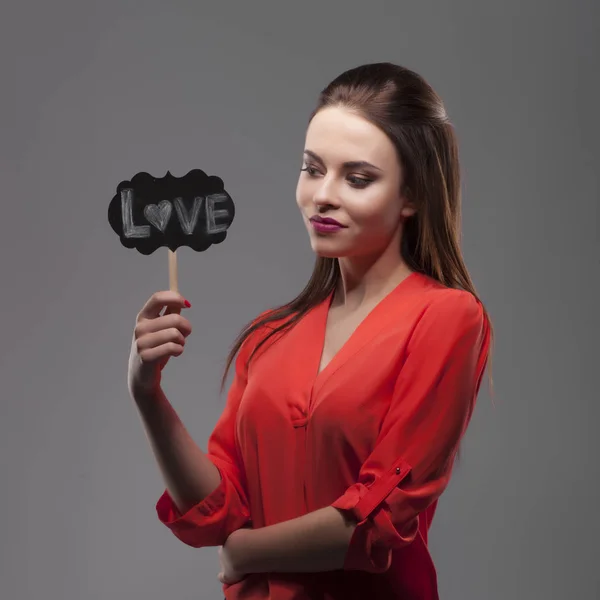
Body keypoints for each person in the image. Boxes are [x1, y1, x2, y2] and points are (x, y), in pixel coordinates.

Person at [127, 62, 493, 600]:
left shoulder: (447, 318)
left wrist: (247, 552)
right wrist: (147, 395)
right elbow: (219, 508)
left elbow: (376, 521)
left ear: (411, 194)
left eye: (358, 177)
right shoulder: (268, 337)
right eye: (312, 169)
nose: (322, 195)